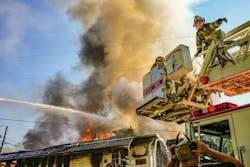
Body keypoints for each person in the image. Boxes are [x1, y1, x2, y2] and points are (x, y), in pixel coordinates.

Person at [166, 139, 244, 167]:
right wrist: (208, 150)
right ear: (196, 154)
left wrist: (173, 160)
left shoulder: (174, 159)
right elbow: (238, 165)